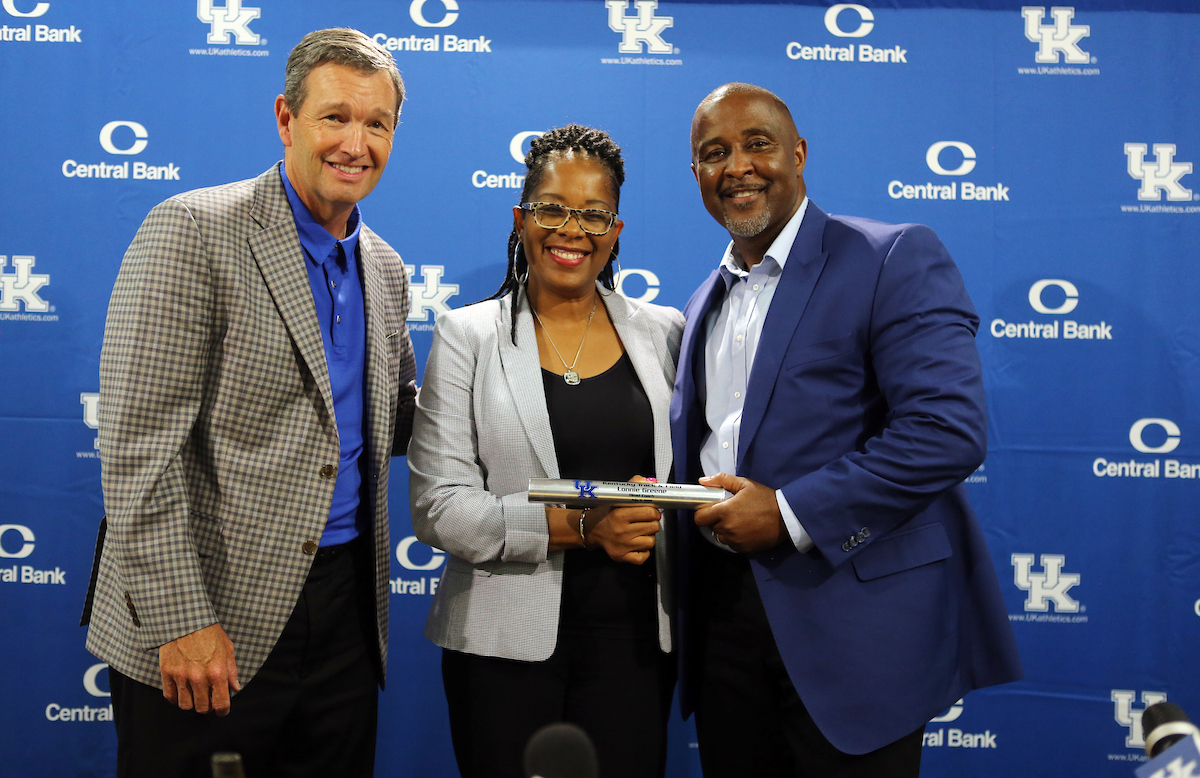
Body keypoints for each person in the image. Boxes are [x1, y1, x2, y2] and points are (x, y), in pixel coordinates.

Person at [81, 28, 417, 777]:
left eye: (376, 123)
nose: (355, 143)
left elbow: (396, 418)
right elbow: (138, 452)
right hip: (208, 618)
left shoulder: (387, 269)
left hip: (345, 621)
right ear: (285, 119)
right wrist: (182, 620)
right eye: (336, 117)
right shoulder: (194, 231)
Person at [670, 83, 1023, 777]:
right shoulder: (702, 299)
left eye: (757, 144)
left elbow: (946, 431)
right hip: (723, 625)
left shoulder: (889, 256)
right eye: (715, 153)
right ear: (697, 177)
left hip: (856, 626)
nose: (736, 166)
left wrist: (789, 511)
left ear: (798, 154)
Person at [408, 124, 684, 778]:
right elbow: (438, 509)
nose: (572, 230)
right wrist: (584, 528)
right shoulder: (465, 335)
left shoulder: (666, 333)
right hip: (500, 651)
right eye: (552, 209)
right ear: (521, 218)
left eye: (594, 214)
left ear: (616, 230)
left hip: (639, 649)